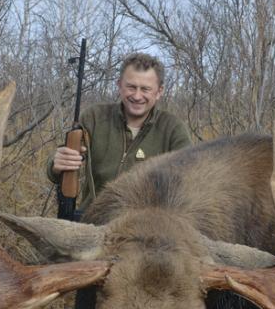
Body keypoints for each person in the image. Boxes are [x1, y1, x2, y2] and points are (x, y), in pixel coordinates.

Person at [48, 52, 192, 211]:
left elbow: (190, 181)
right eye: (131, 87)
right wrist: (57, 165)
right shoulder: (94, 117)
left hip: (146, 222)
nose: (137, 96)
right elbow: (57, 168)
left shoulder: (173, 128)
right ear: (119, 85)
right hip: (92, 219)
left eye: (145, 89)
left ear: (159, 91)